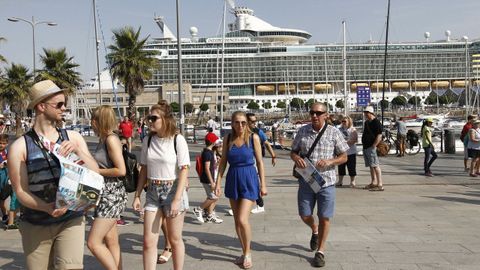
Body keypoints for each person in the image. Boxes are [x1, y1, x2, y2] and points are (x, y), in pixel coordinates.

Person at [8, 79, 99, 269]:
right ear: (41, 106)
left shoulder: (73, 137)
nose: (64, 108)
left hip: (71, 218)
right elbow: (21, 191)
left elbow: (95, 173)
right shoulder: (20, 146)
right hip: (36, 222)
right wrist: (46, 208)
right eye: (59, 104)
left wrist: (79, 152)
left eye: (64, 103)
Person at [132, 101, 190, 270]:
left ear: (165, 119)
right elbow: (144, 168)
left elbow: (184, 169)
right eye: (149, 118)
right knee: (148, 241)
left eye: (153, 118)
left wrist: (177, 199)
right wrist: (137, 195)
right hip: (152, 192)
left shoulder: (177, 140)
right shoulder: (148, 140)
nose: (149, 121)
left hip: (173, 190)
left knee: (174, 239)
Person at [290, 103, 348, 268]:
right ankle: (314, 229)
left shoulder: (333, 132)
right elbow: (293, 151)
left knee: (325, 217)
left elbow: (344, 156)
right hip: (307, 180)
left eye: (318, 113)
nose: (314, 115)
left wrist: (331, 161)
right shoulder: (303, 131)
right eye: (312, 112)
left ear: (325, 115)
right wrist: (296, 158)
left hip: (327, 181)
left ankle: (320, 252)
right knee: (304, 214)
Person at [215, 111, 267, 269]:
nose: (240, 126)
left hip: (249, 178)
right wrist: (217, 182)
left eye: (243, 122)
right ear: (232, 123)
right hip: (233, 178)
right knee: (237, 221)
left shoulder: (253, 138)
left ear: (247, 123)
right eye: (237, 122)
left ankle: (248, 253)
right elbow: (223, 162)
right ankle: (244, 252)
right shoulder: (228, 139)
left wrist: (263, 184)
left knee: (243, 219)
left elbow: (259, 162)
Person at [87, 105, 128, 269]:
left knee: (93, 242)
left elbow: (121, 170)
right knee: (111, 241)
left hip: (111, 195)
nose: (91, 123)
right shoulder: (103, 139)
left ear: (99, 121)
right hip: (105, 194)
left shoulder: (111, 139)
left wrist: (97, 171)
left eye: (93, 119)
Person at [246, 112, 276, 214]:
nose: (255, 123)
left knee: (253, 183)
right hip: (246, 160)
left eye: (256, 121)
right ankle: (242, 205)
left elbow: (266, 143)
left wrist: (273, 155)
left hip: (254, 160)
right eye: (253, 121)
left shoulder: (258, 132)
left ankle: (260, 205)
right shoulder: (241, 132)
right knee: (247, 183)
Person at [191, 133, 224, 224]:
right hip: (207, 179)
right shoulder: (207, 153)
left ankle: (209, 214)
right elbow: (206, 168)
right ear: (213, 142)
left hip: (210, 178)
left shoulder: (209, 152)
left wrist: (217, 162)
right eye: (216, 140)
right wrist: (212, 182)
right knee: (213, 197)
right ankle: (199, 209)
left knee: (215, 195)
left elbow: (211, 167)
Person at [361, 106, 384, 191]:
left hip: (371, 146)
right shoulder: (367, 122)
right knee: (371, 165)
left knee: (375, 165)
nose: (365, 114)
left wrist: (374, 145)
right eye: (365, 113)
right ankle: (373, 182)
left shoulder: (376, 122)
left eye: (367, 113)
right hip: (366, 146)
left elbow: (379, 135)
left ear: (371, 113)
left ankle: (380, 184)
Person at [336, 116, 358, 188]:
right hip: (341, 152)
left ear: (349, 122)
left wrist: (345, 142)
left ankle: (352, 181)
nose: (343, 123)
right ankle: (340, 181)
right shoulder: (339, 130)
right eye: (342, 121)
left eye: (345, 121)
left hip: (351, 152)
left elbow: (354, 140)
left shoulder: (352, 130)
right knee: (341, 167)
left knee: (351, 167)